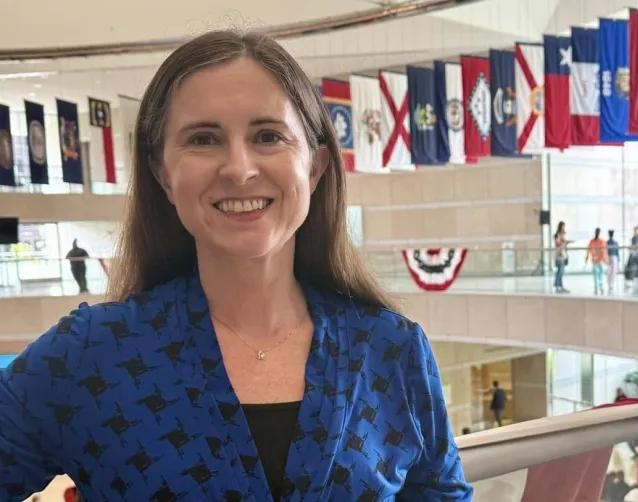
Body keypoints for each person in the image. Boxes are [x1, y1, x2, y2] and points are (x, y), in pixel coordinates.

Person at [0, 31, 471, 500]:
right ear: (162, 174)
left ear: (316, 166)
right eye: (204, 139)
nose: (239, 168)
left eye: (268, 136)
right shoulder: (90, 356)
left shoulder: (391, 351)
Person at [586, 228, 608, 295]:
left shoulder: (592, 241)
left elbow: (588, 250)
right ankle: (600, 287)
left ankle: (596, 287)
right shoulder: (601, 241)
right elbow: (603, 251)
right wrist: (605, 260)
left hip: (594, 259)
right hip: (600, 260)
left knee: (595, 274)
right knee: (600, 274)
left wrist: (587, 257)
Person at [554, 221, 571, 293]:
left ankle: (560, 286)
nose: (564, 228)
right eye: (563, 226)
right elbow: (558, 244)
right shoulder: (557, 235)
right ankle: (558, 287)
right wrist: (564, 242)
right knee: (560, 272)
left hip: (563, 255)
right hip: (559, 256)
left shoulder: (562, 236)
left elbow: (563, 245)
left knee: (561, 271)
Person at [606, 229, 620, 294]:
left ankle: (610, 283)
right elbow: (617, 252)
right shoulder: (614, 242)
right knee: (612, 271)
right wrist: (618, 259)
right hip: (613, 257)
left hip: (610, 257)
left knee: (609, 270)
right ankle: (611, 283)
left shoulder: (607, 242)